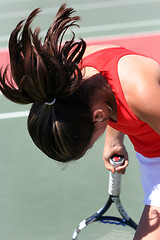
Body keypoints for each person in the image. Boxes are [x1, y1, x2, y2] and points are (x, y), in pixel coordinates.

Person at [0, 4, 160, 239]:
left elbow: (131, 97)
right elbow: (113, 95)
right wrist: (114, 140)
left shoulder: (143, 93)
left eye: (91, 142)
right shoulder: (73, 80)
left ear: (98, 117)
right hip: (150, 153)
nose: (95, 142)